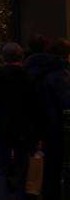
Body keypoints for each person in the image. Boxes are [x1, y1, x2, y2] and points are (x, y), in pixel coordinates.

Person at [0, 42, 36, 200]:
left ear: (4, 57)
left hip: (2, 127)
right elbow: (35, 104)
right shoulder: (27, 76)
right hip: (23, 129)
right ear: (21, 57)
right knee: (22, 169)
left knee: (0, 169)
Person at [26, 37, 70, 199]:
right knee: (55, 165)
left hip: (37, 124)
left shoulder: (34, 70)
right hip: (54, 125)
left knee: (47, 166)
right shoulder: (57, 74)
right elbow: (65, 101)